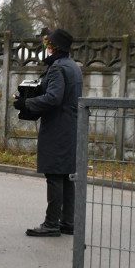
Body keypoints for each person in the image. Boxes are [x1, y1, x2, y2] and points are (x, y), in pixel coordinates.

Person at [14, 28, 83, 237]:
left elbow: (53, 97)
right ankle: (68, 222)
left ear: (54, 47)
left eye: (47, 44)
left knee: (54, 174)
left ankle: (52, 223)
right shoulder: (73, 67)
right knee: (66, 175)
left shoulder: (57, 68)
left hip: (56, 128)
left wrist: (26, 102)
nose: (46, 48)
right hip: (71, 127)